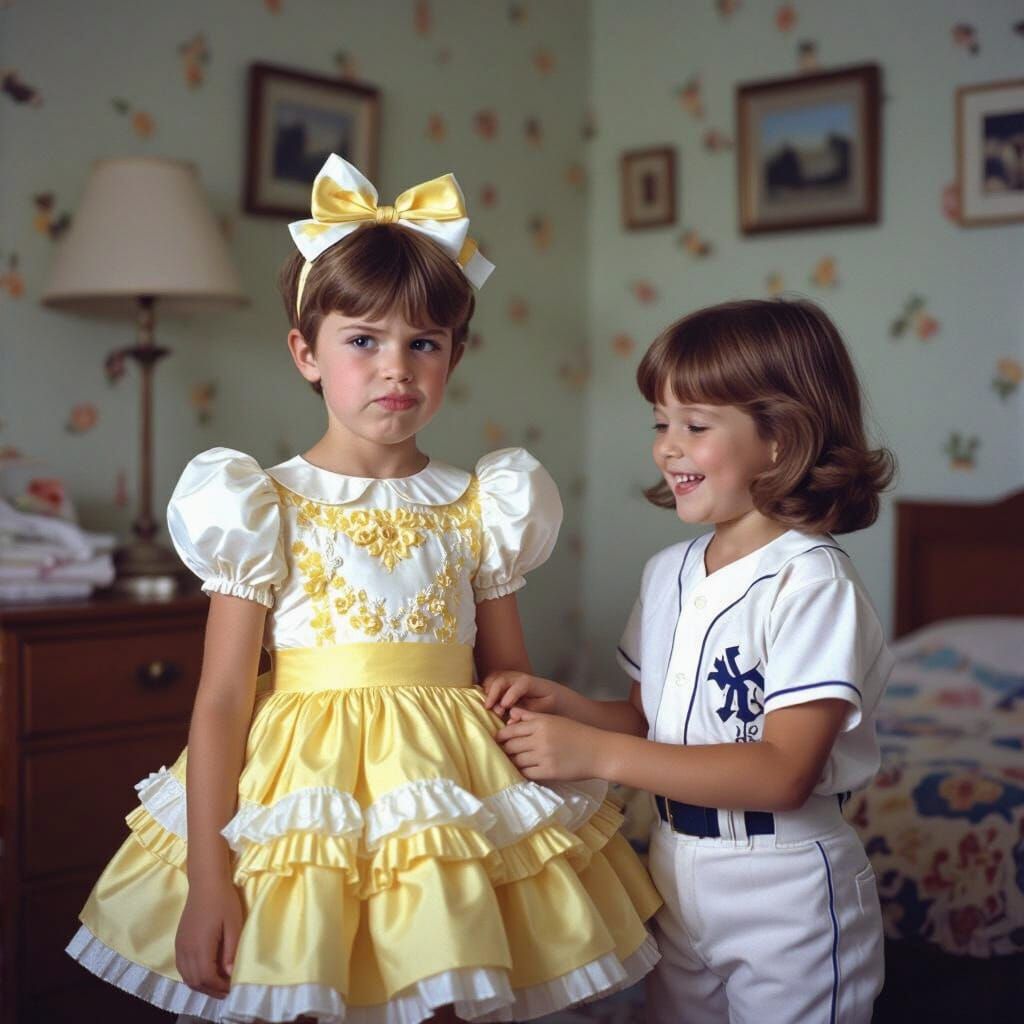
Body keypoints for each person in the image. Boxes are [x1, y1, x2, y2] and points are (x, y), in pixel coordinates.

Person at [66, 156, 661, 1024]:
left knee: (445, 986)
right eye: (363, 341)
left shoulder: (483, 504)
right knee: (313, 986)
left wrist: (562, 744)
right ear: (306, 353)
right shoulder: (259, 503)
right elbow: (223, 698)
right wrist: (208, 876)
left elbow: (508, 678)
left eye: (424, 343)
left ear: (455, 354)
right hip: (305, 798)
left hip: (448, 799)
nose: (397, 369)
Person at [486, 298, 895, 1024]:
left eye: (695, 427)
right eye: (661, 424)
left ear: (781, 439)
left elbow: (783, 772)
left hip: (785, 887)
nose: (667, 448)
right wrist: (567, 708)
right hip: (674, 867)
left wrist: (595, 753)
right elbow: (652, 724)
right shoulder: (667, 572)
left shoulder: (812, 583)